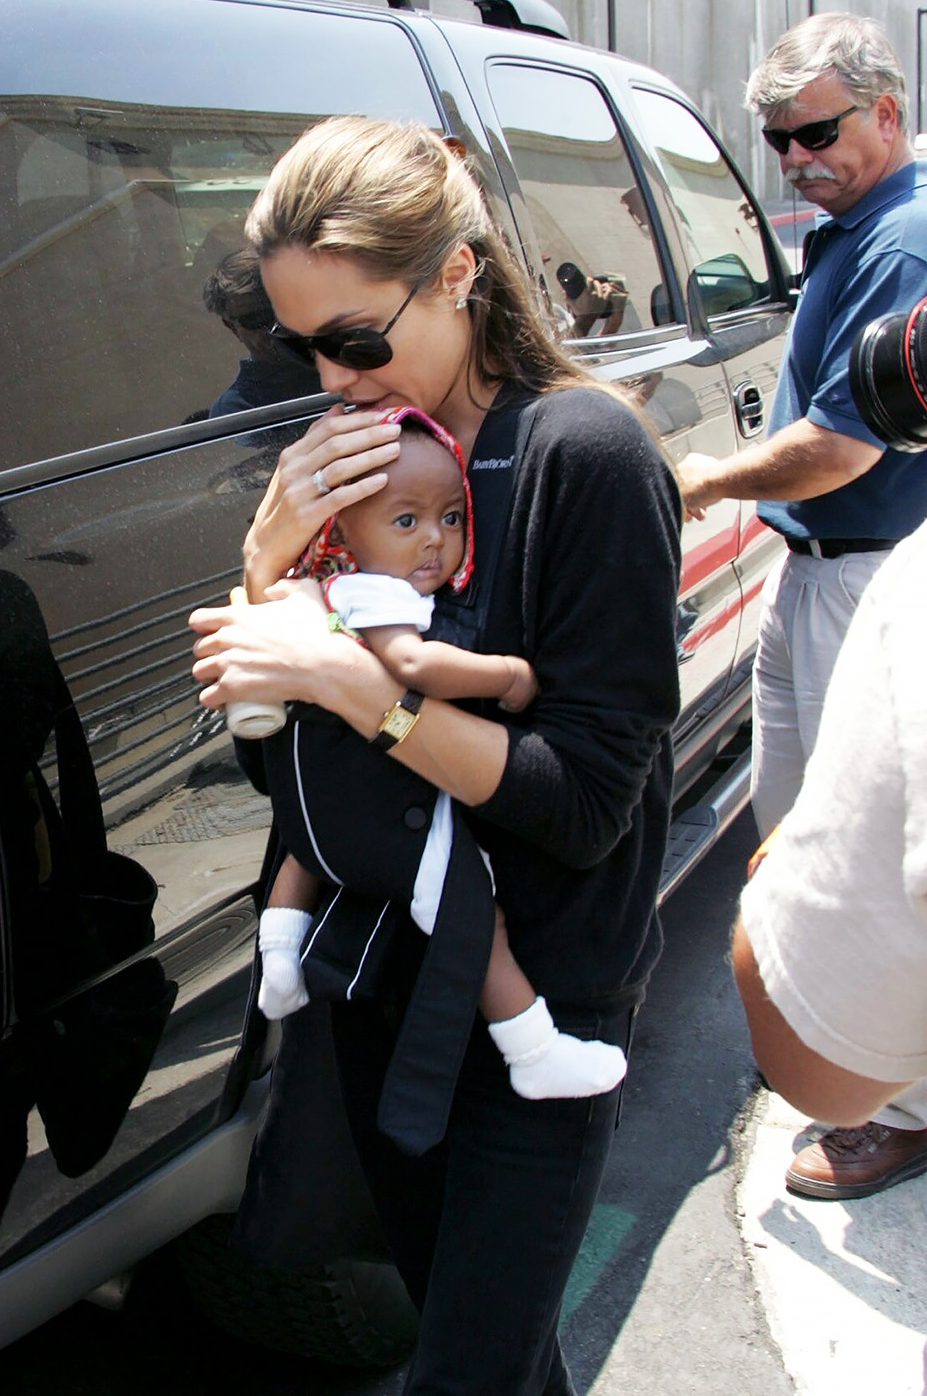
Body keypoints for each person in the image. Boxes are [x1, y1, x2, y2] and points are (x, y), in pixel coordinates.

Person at [189, 114, 681, 1396]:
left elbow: (582, 807)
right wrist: (265, 568)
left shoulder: (585, 457)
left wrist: (364, 692)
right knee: (496, 1362)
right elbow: (279, 782)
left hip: (542, 1002)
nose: (335, 378)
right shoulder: (343, 463)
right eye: (301, 346)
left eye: (357, 337)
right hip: (381, 991)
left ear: (458, 272)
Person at [675, 12, 927, 1202]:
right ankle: (848, 1052)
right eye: (777, 141)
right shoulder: (857, 227)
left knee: (856, 861)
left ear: (886, 109)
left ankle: (900, 1105)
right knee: (793, 832)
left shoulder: (904, 242)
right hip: (821, 572)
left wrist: (698, 479)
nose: (795, 159)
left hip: (866, 577)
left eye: (816, 132)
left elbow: (838, 450)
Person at [258, 404, 627, 1105]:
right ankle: (533, 1048)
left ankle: (280, 957)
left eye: (451, 518)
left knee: (304, 852)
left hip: (328, 793)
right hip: (384, 793)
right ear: (344, 531)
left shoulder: (341, 587)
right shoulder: (375, 593)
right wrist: (509, 675)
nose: (434, 540)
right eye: (406, 521)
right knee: (472, 911)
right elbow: (412, 664)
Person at [732, 516, 927, 1194]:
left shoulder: (912, 590)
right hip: (804, 560)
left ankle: (908, 1114)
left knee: (864, 871)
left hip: (854, 562)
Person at [202, 246, 320, 418]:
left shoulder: (343, 365)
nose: (276, 328)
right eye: (256, 319)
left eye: (284, 311)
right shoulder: (236, 409)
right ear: (233, 328)